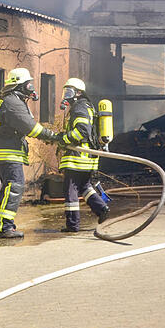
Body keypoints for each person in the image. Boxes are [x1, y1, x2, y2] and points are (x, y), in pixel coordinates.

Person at [0, 68, 59, 239]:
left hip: (7, 149)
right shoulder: (12, 103)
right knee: (15, 185)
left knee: (8, 186)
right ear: (20, 84)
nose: (31, 87)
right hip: (8, 151)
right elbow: (30, 127)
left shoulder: (13, 100)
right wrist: (53, 136)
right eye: (29, 84)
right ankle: (4, 226)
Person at [53, 77, 110, 232]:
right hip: (88, 158)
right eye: (65, 91)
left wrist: (64, 139)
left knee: (70, 188)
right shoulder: (87, 106)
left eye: (69, 91)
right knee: (84, 186)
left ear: (78, 93)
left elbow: (82, 131)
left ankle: (72, 225)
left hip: (78, 157)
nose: (66, 95)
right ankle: (101, 209)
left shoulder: (79, 107)